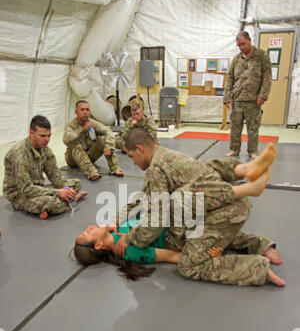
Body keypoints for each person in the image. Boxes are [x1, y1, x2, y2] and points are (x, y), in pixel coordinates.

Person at [111, 129, 284, 287]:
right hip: (223, 210)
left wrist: (129, 238)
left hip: (227, 209)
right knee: (203, 169)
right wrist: (114, 220)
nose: (133, 162)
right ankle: (242, 169)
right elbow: (141, 200)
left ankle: (255, 267)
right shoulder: (168, 156)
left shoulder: (155, 171)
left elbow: (156, 222)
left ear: (140, 149)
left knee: (188, 265)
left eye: (132, 156)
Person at [74, 219, 223, 280]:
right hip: (180, 232)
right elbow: (172, 256)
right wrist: (206, 255)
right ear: (98, 245)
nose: (89, 227)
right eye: (87, 232)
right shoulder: (129, 252)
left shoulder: (115, 231)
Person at [3, 115, 87, 219]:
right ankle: (73, 199)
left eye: (49, 135)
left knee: (76, 184)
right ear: (31, 133)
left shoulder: (45, 150)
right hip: (20, 195)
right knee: (51, 203)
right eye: (42, 136)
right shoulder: (20, 156)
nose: (47, 139)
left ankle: (43, 208)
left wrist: (67, 189)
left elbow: (54, 176)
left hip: (38, 189)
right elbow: (26, 189)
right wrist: (58, 192)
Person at [224, 31, 272, 159]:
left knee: (253, 127)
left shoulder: (262, 56)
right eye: (239, 45)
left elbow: (267, 77)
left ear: (250, 40)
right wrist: (227, 97)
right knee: (235, 127)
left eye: (243, 44)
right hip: (237, 99)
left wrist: (263, 95)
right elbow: (230, 78)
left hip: (254, 100)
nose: (241, 47)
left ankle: (253, 151)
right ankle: (234, 149)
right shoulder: (236, 59)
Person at [63, 100, 124, 180]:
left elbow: (108, 131)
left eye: (87, 110)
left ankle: (115, 168)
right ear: (76, 112)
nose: (85, 112)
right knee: (75, 145)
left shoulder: (92, 123)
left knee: (103, 140)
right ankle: (91, 172)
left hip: (89, 156)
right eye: (82, 110)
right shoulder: (71, 125)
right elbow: (66, 140)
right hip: (73, 160)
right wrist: (82, 129)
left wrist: (108, 147)